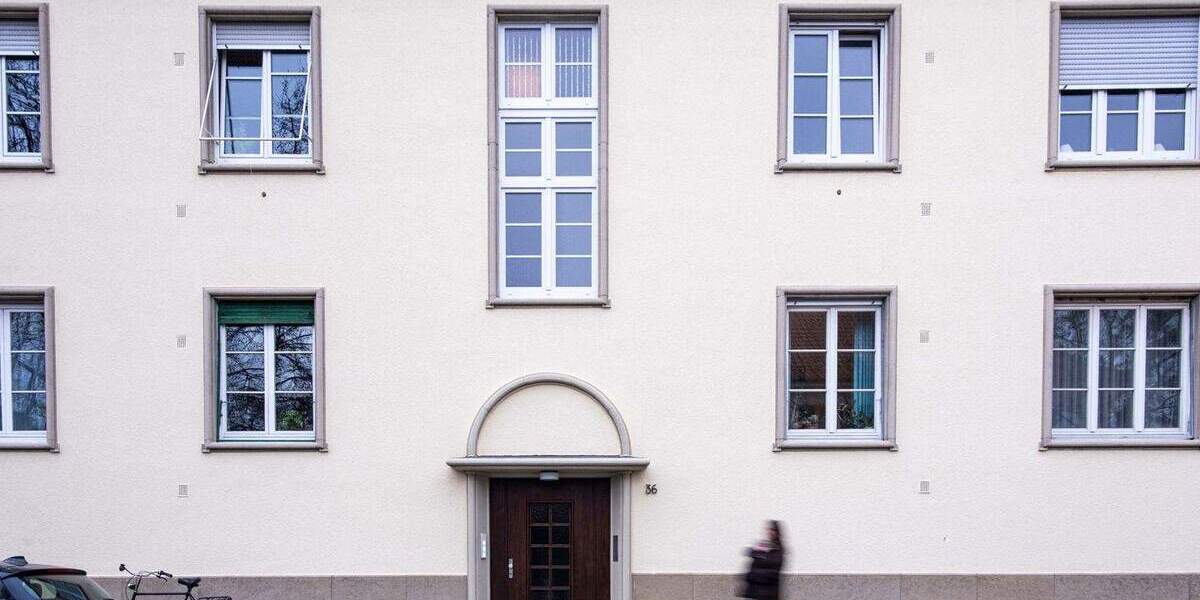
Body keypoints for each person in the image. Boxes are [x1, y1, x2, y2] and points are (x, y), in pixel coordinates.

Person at [738, 520, 785, 600]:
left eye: (773, 530)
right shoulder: (763, 546)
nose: (769, 532)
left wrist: (755, 575)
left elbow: (773, 572)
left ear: (777, 532)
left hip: (769, 593)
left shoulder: (778, 550)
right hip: (758, 592)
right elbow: (753, 562)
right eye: (769, 529)